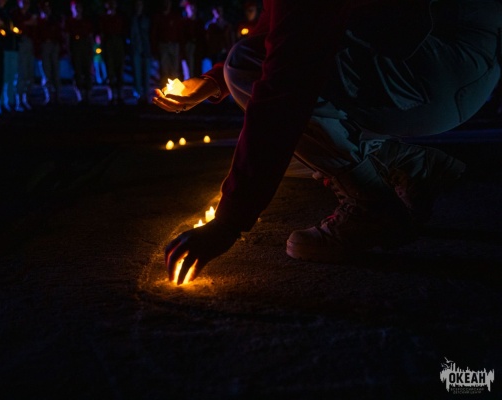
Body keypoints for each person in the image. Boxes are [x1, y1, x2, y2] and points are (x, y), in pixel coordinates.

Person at [154, 0, 501, 284]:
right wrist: (213, 81)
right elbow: (280, 24)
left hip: (438, 59)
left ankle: (372, 207)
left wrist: (228, 223)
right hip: (446, 59)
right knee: (289, 151)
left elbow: (286, 79)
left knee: (248, 68)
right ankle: (405, 163)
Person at [98, 0, 127, 104]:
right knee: (110, 72)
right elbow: (101, 33)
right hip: (108, 44)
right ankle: (111, 96)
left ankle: (120, 95)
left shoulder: (120, 17)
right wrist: (102, 48)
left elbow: (124, 31)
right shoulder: (104, 18)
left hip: (118, 43)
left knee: (119, 71)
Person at [0, 0, 21, 113]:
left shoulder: (8, 13)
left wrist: (14, 33)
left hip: (12, 48)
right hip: (3, 49)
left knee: (12, 76)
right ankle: (1, 103)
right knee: (4, 77)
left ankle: (10, 102)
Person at [67, 0, 94, 104]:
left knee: (87, 70)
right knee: (77, 71)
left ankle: (88, 94)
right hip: (76, 45)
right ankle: (80, 95)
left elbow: (90, 36)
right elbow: (68, 36)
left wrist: (91, 49)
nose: (77, 9)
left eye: (79, 7)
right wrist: (69, 50)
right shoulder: (70, 22)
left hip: (85, 45)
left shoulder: (86, 22)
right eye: (75, 7)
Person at [36, 1, 64, 104]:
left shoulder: (54, 21)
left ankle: (57, 95)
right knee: (46, 71)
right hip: (45, 46)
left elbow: (59, 34)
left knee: (56, 71)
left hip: (54, 46)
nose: (47, 10)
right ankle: (48, 95)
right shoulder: (39, 21)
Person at [151, 0, 184, 86]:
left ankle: (175, 90)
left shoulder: (175, 16)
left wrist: (180, 47)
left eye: (168, 3)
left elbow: (179, 32)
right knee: (164, 70)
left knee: (174, 70)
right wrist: (155, 48)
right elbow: (154, 33)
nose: (167, 5)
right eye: (165, 2)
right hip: (163, 45)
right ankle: (165, 89)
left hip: (174, 45)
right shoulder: (159, 17)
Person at [12, 0, 38, 110]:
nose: (27, 4)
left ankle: (26, 99)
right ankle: (18, 101)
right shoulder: (15, 14)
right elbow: (14, 28)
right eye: (24, 1)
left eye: (28, 2)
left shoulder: (29, 15)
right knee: (21, 73)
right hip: (21, 44)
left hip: (29, 44)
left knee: (29, 72)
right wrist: (27, 23)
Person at [130, 0, 152, 104]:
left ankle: (146, 94)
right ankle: (138, 94)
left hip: (146, 49)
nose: (139, 7)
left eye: (140, 4)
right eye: (137, 5)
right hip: (136, 50)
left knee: (146, 73)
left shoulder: (146, 19)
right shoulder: (132, 19)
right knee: (137, 73)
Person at [182, 1, 205, 79]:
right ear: (186, 9)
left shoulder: (199, 22)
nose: (192, 9)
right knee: (189, 68)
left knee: (198, 67)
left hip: (198, 48)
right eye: (190, 7)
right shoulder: (185, 22)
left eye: (193, 7)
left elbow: (202, 36)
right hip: (189, 47)